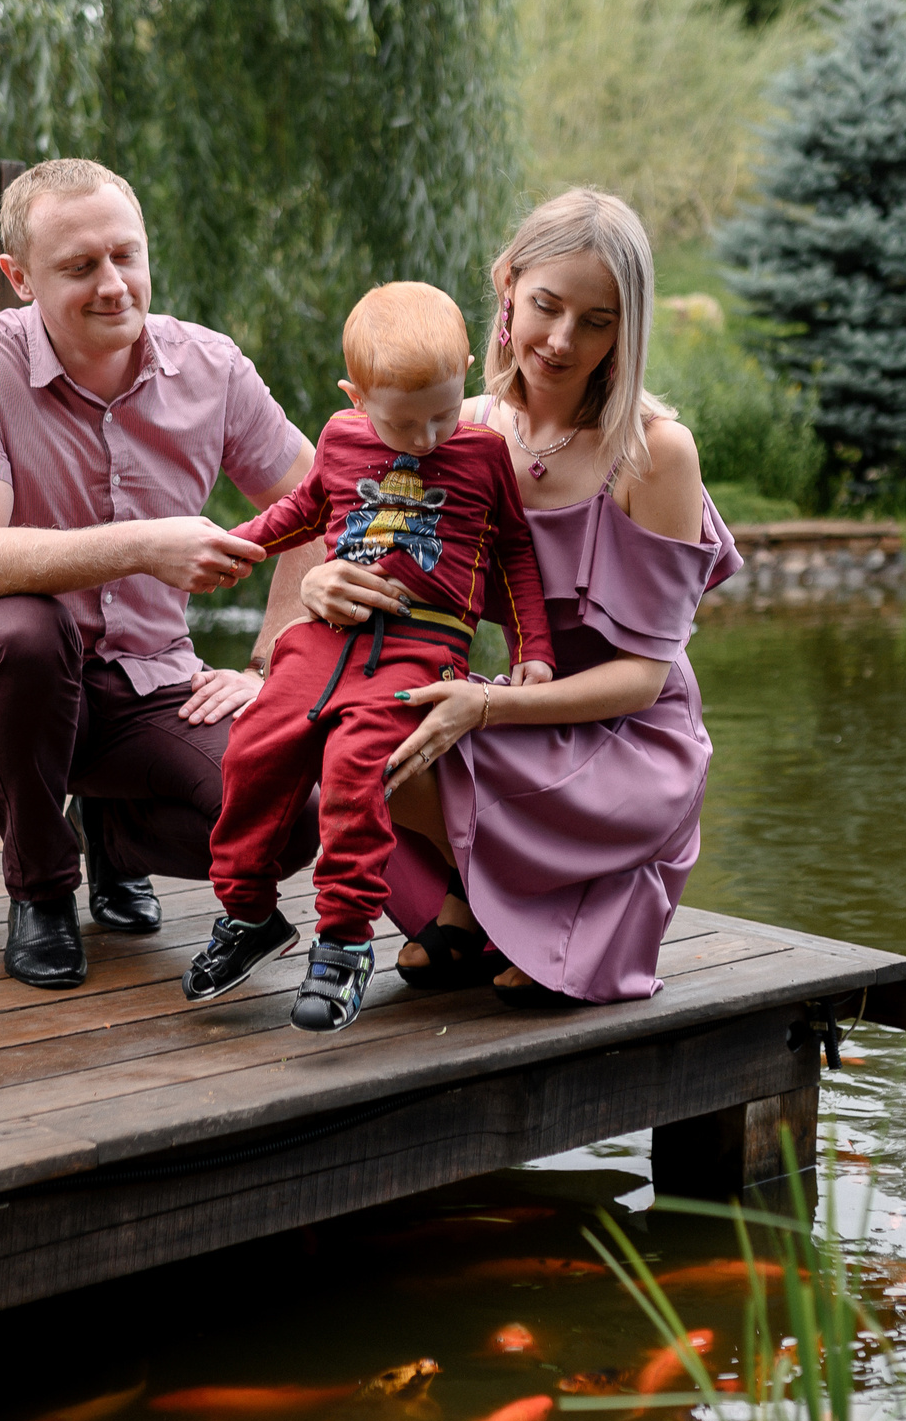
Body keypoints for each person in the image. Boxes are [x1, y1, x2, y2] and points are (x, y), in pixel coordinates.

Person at [294, 190, 740, 1007]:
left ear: (626, 330)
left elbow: (643, 677)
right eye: (546, 305)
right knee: (348, 749)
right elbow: (374, 558)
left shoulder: (656, 455)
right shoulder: (455, 429)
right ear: (507, 286)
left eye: (598, 320)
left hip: (632, 741)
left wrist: (484, 708)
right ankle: (474, 906)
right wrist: (318, 581)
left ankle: (512, 914)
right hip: (513, 702)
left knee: (423, 741)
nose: (564, 340)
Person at [0, 158, 321, 991]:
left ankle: (111, 836)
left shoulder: (211, 367)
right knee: (23, 629)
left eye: (125, 256)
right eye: (78, 267)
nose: (113, 286)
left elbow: (320, 501)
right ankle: (42, 886)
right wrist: (141, 543)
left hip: (149, 684)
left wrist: (269, 666)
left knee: (293, 820)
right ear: (18, 277)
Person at [185, 283, 556, 1033]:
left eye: (443, 413)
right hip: (324, 636)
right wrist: (244, 544)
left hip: (420, 642)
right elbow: (306, 509)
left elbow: (515, 554)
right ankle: (248, 912)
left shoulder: (484, 456)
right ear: (357, 396)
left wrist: (534, 649)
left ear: (466, 379)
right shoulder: (340, 435)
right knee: (253, 751)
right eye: (403, 420)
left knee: (356, 768)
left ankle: (345, 940)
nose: (424, 436)